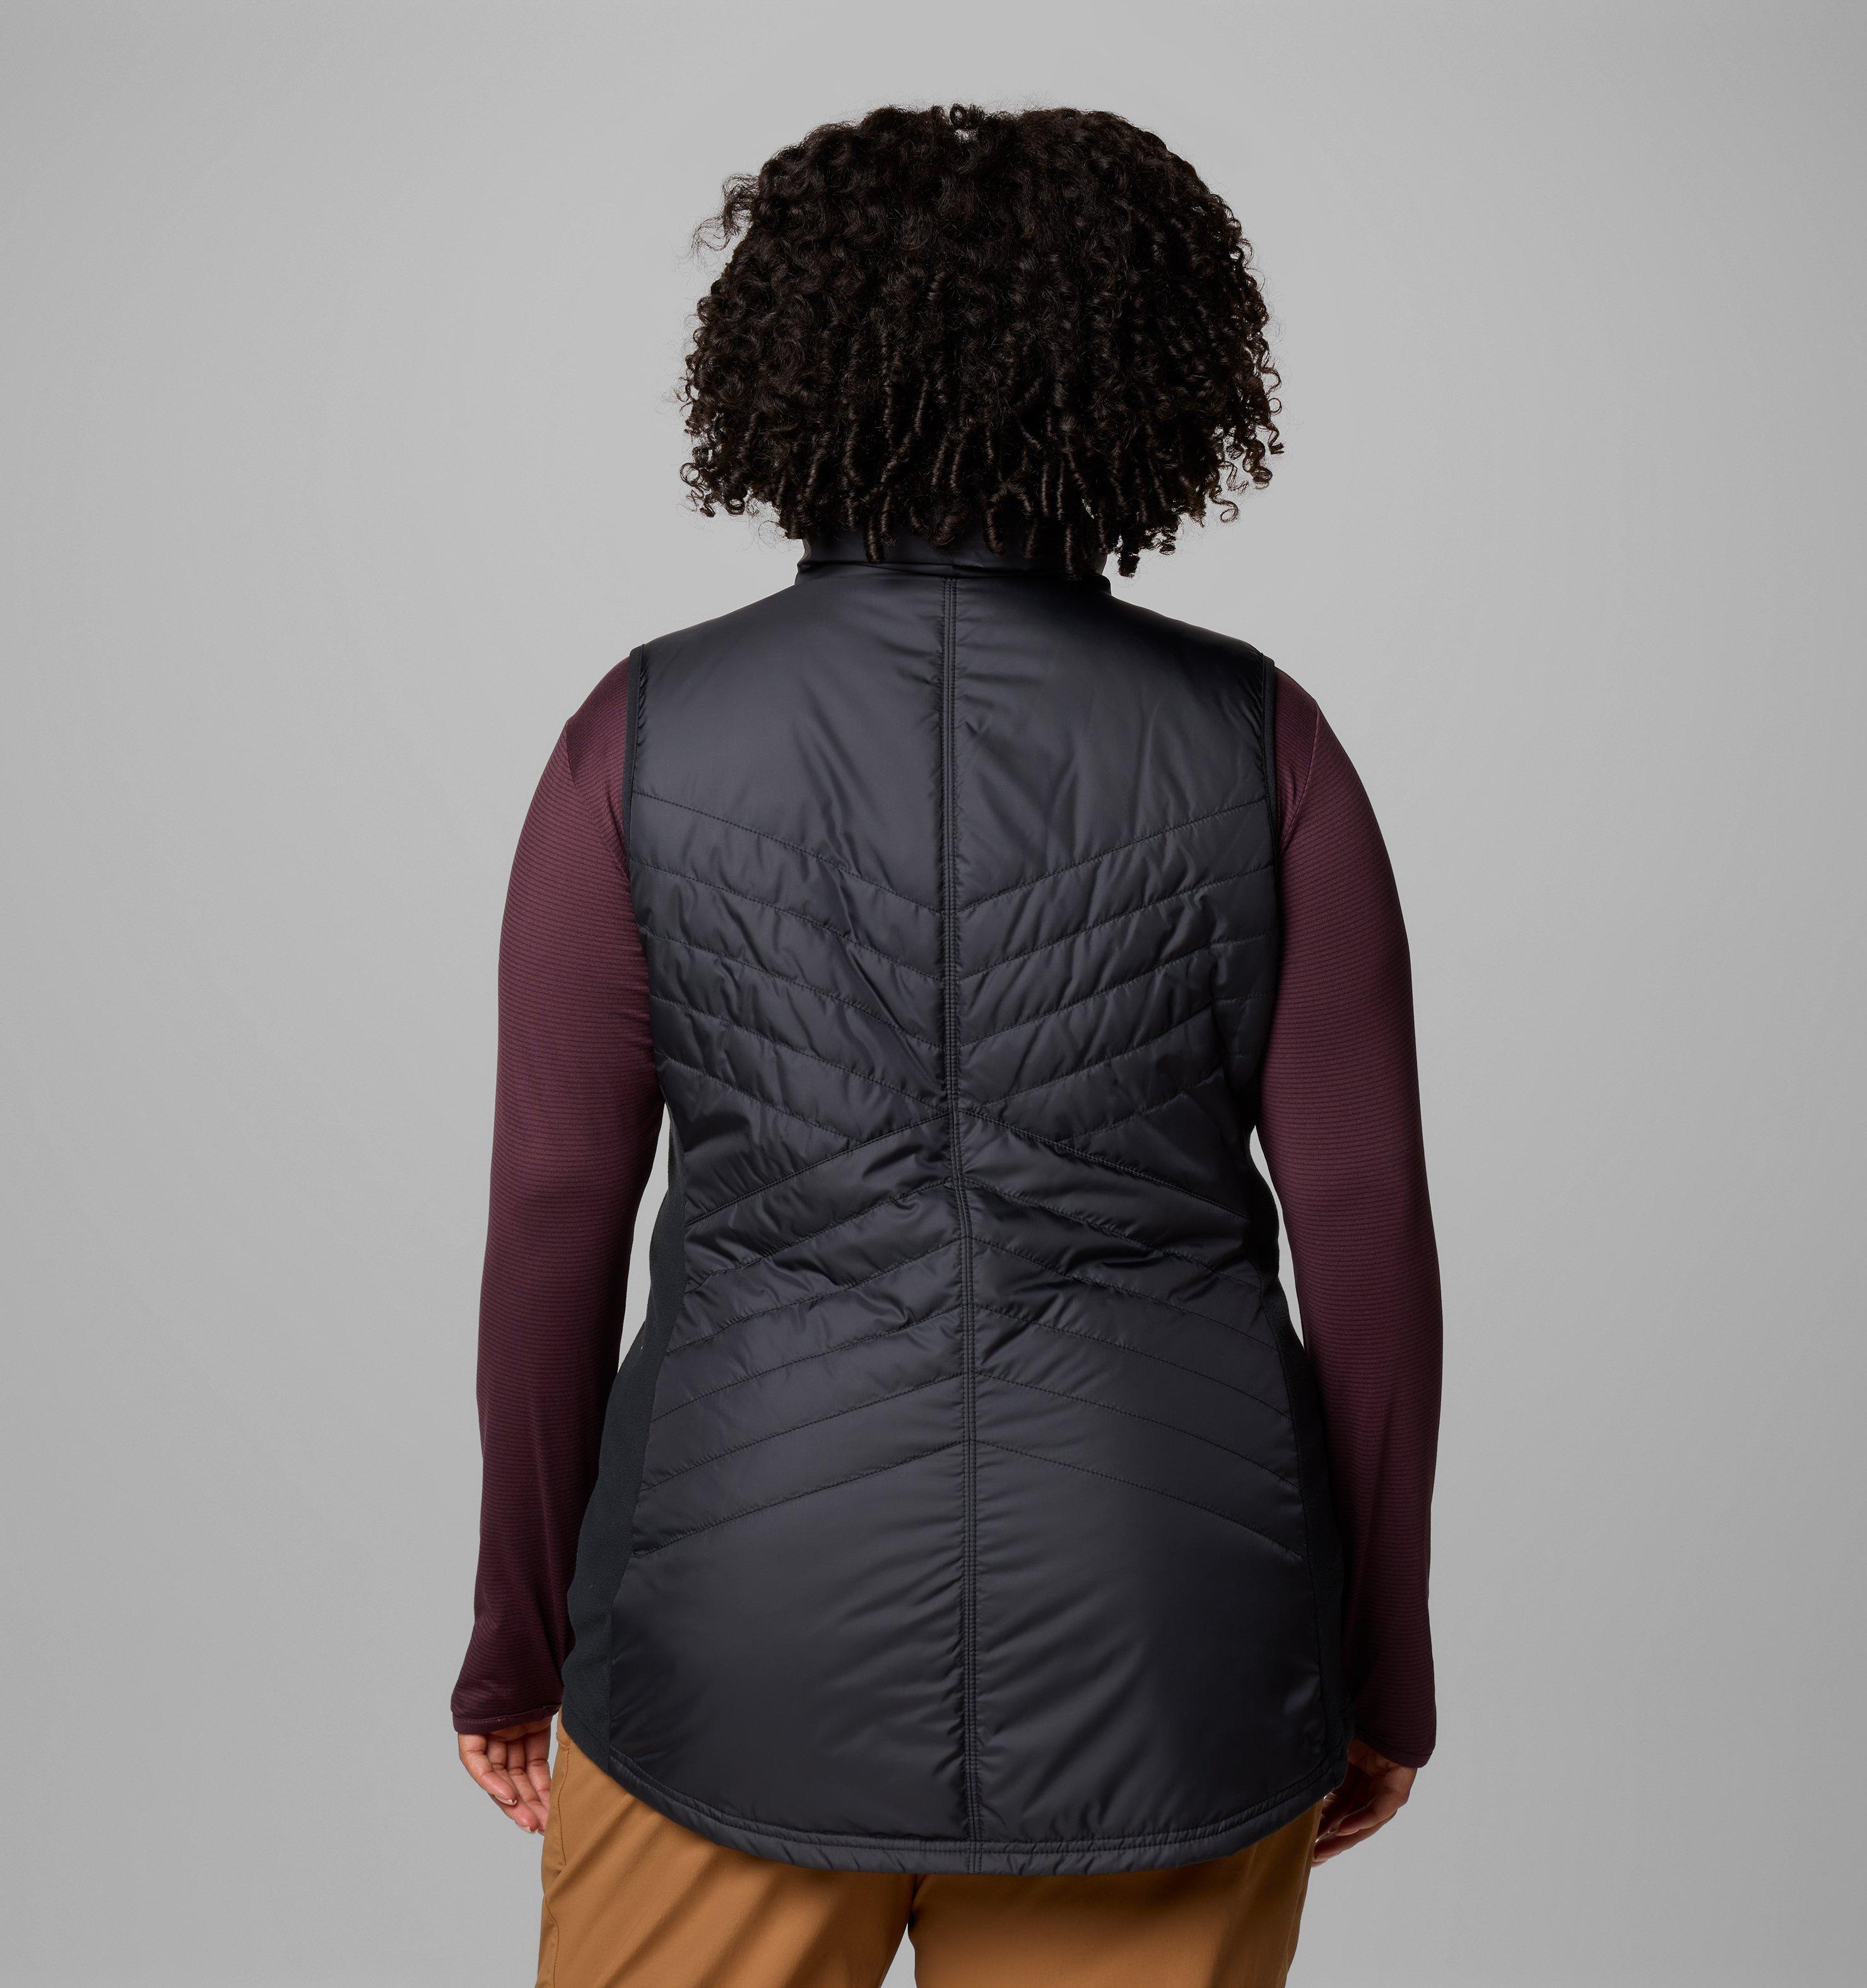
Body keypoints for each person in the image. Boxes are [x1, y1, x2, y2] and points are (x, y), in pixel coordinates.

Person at [452, 103, 1442, 1988]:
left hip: (732, 1629)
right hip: (1168, 1628)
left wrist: (521, 1634)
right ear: (1153, 378)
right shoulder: (1264, 742)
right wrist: (1380, 1659)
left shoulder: (638, 737)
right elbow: (1372, 1250)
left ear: (783, 366)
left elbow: (551, 1225)